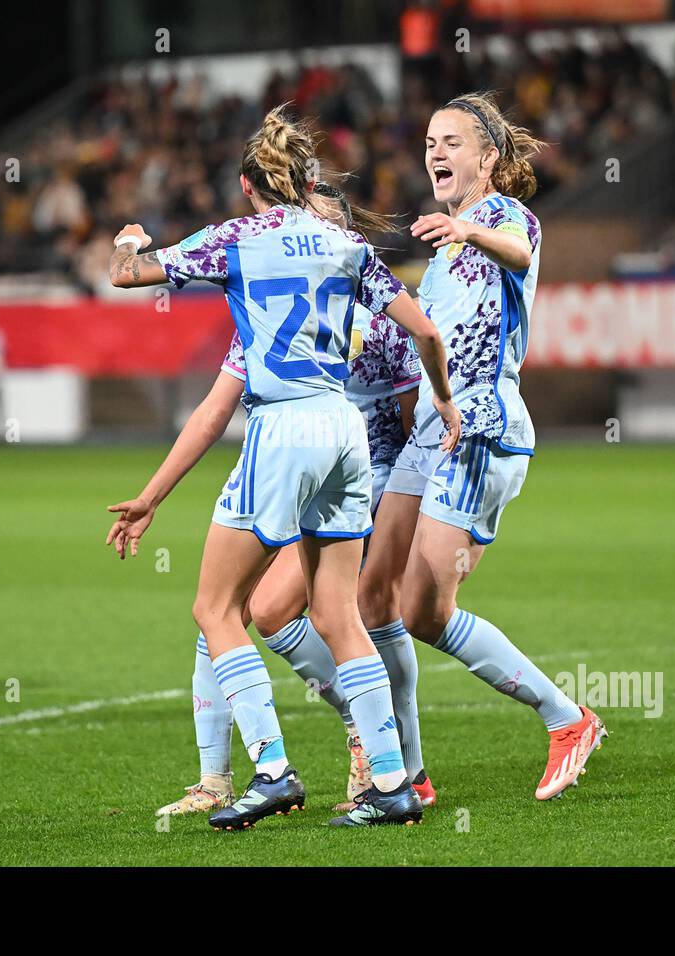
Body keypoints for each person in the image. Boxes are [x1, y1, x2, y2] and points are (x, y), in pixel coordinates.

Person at [106, 107, 460, 828]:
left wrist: (129, 238)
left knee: (215, 608)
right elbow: (423, 325)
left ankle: (271, 768)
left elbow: (127, 277)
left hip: (283, 426)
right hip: (345, 432)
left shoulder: (236, 237)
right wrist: (447, 405)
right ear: (303, 182)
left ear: (247, 187)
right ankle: (391, 783)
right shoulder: (343, 243)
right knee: (337, 614)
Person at [359, 92, 607, 803]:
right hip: (430, 430)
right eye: (430, 141)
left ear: (489, 157)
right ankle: (406, 775)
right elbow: (424, 345)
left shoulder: (504, 220)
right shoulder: (439, 256)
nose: (435, 152)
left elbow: (521, 250)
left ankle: (568, 718)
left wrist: (470, 233)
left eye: (452, 142)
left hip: (481, 425)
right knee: (374, 595)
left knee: (424, 612)